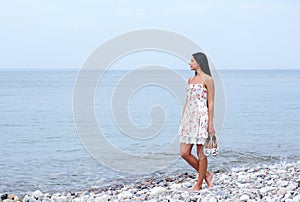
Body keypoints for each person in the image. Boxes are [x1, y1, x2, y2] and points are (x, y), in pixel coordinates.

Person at [178, 52, 215, 191]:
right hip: (189, 119)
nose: (189, 62)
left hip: (201, 118)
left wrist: (210, 124)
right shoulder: (190, 80)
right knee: (184, 153)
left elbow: (210, 103)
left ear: (199, 62)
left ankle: (199, 185)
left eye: (192, 60)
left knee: (201, 153)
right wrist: (183, 119)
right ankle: (206, 174)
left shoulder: (208, 80)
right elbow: (187, 101)